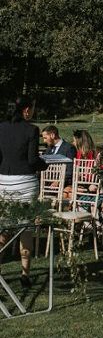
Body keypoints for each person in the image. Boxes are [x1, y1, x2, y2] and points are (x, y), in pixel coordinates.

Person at [0, 96, 48, 287]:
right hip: (25, 183)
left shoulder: (1, 127)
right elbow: (32, 160)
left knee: (3, 227)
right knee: (25, 228)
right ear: (26, 110)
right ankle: (25, 274)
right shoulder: (31, 130)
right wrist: (44, 164)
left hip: (3, 181)